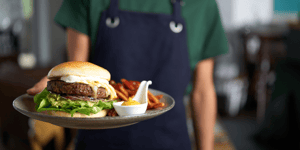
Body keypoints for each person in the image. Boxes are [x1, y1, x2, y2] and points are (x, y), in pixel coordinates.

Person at [27, 0, 228, 149]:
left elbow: (202, 91)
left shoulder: (203, 5)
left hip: (170, 141)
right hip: (98, 143)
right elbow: (77, 70)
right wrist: (57, 85)